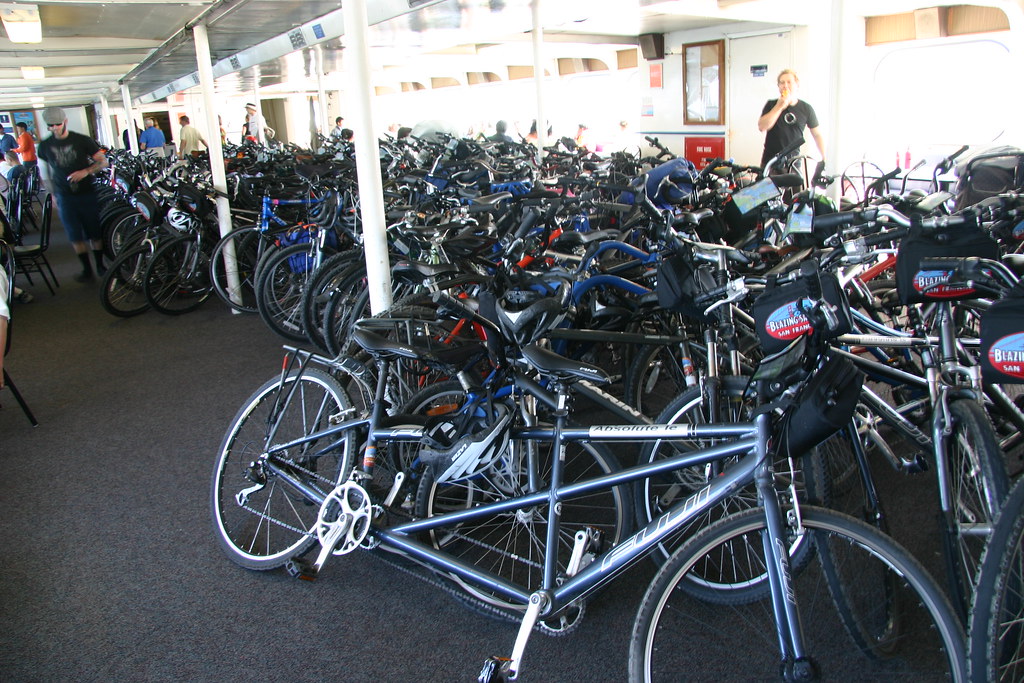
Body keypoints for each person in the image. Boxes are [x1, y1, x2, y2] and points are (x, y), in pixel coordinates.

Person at [36, 107, 109, 283]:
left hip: (86, 193)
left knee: (94, 232)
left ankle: (100, 265)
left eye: (57, 124)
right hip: (64, 195)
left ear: (65, 122)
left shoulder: (82, 140)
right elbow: (45, 170)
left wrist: (86, 171)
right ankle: (86, 269)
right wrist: (51, 193)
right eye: (50, 125)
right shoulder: (45, 146)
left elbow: (103, 161)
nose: (54, 128)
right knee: (74, 234)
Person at [757, 68, 825, 169]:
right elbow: (762, 127)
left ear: (797, 85)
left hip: (793, 164)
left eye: (789, 82)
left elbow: (817, 134)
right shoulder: (771, 104)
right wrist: (779, 106)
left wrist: (824, 157)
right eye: (782, 83)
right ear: (778, 86)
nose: (785, 85)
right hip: (770, 163)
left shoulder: (806, 108)